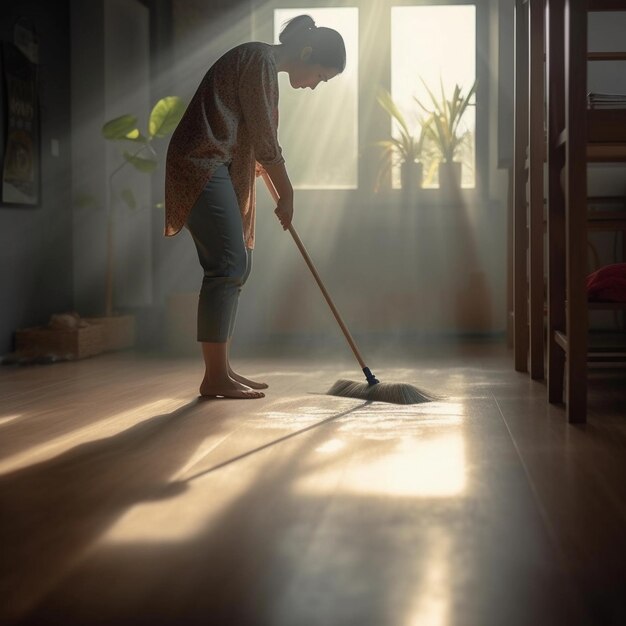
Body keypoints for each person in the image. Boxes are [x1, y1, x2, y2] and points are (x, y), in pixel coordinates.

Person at [165, 15, 346, 399]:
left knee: (237, 264)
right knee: (227, 264)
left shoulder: (263, 65)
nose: (315, 86)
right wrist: (288, 194)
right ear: (307, 53)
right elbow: (265, 140)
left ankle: (222, 371)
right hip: (200, 161)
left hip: (217, 161)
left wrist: (264, 171)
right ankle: (214, 377)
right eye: (320, 77)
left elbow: (247, 132)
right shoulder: (260, 61)